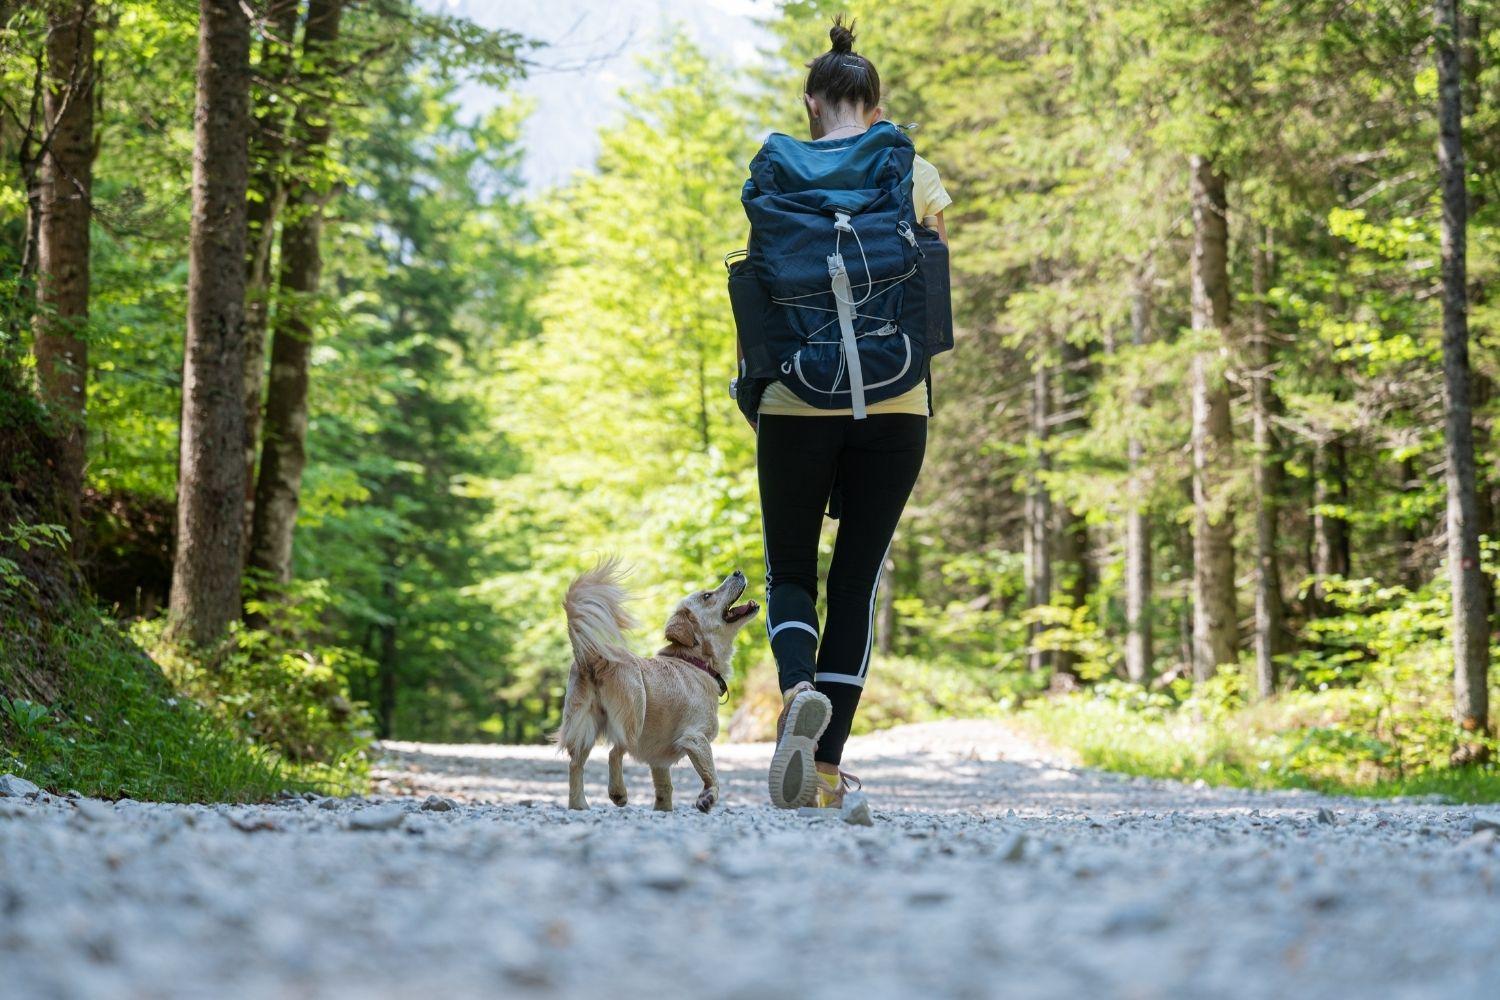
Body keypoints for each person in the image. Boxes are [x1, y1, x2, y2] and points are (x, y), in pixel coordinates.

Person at [755, 18, 951, 810]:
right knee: (856, 580)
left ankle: (797, 686)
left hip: (794, 395)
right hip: (895, 396)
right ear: (876, 102)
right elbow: (934, 280)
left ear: (812, 100)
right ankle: (827, 770)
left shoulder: (776, 170)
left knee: (791, 572)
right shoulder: (914, 169)